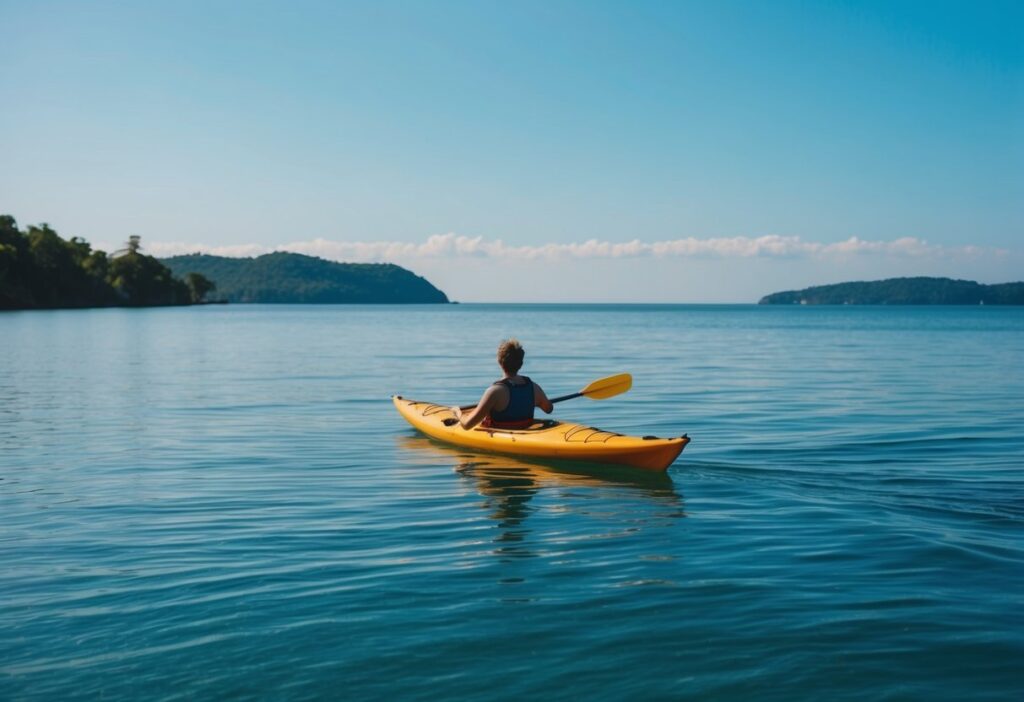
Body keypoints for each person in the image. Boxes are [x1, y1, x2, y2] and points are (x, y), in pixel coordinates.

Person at [451, 339, 554, 430]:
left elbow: (467, 425)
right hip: (525, 432)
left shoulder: (495, 391)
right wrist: (530, 401)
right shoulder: (533, 387)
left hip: (505, 437)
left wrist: (458, 413)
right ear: (521, 364)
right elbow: (549, 409)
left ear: (499, 361)